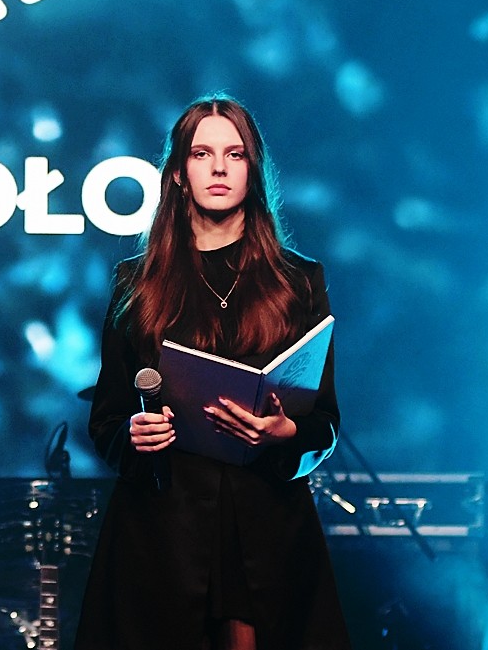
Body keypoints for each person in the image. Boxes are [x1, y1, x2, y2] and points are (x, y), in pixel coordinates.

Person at [74, 97, 350, 650]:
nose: (219, 168)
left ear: (253, 170)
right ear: (179, 172)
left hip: (267, 527)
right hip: (164, 530)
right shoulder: (136, 283)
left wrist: (285, 433)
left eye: (235, 154)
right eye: (202, 154)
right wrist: (136, 432)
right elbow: (106, 421)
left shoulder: (299, 281)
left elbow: (324, 421)